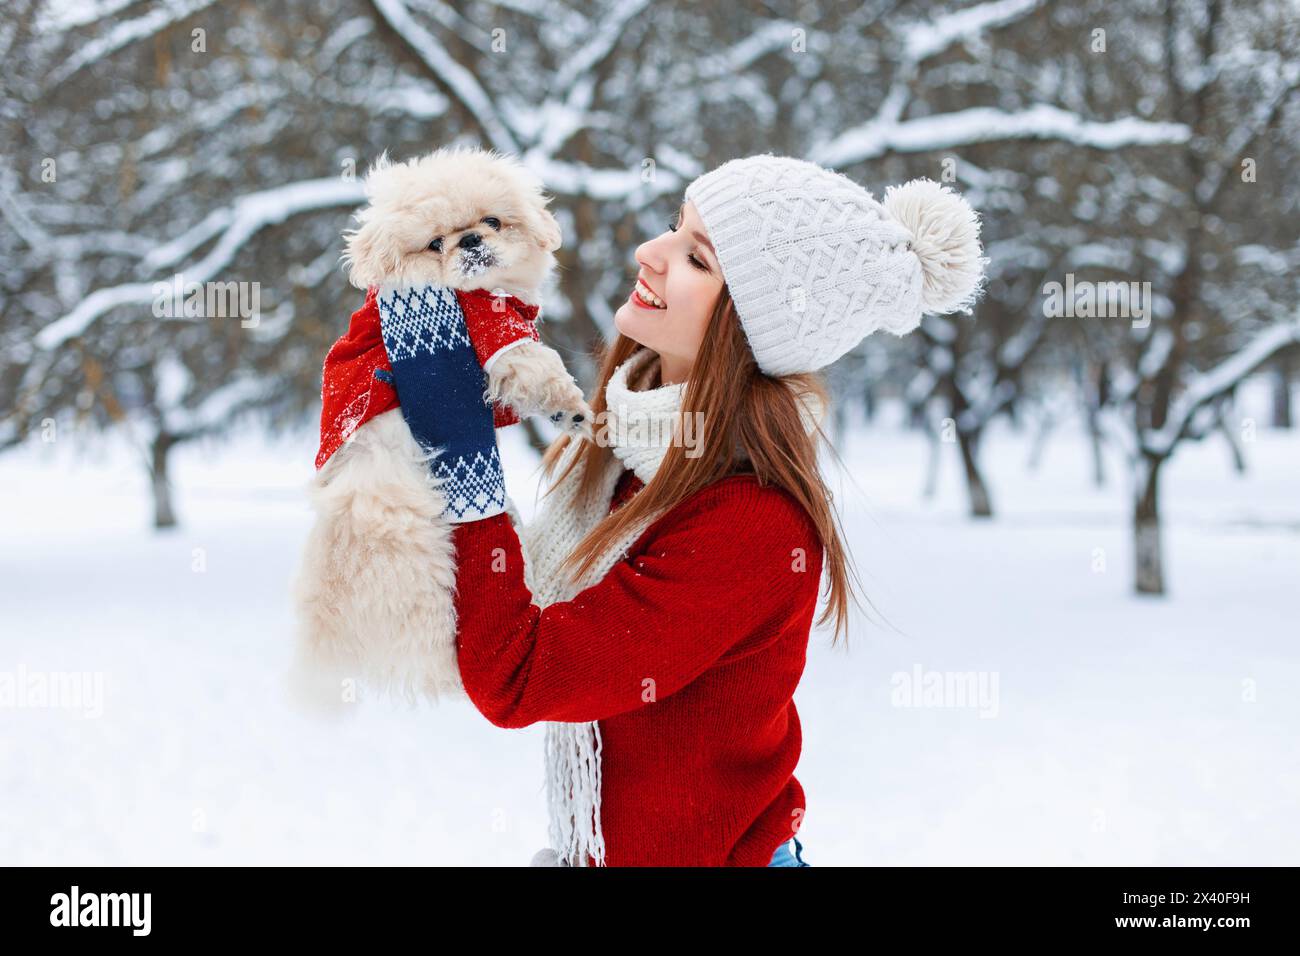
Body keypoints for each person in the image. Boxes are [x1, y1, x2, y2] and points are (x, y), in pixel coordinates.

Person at [390, 154, 986, 866]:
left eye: (697, 258)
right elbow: (505, 611)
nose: (651, 252)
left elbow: (519, 674)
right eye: (676, 226)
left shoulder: (752, 524)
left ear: (750, 325)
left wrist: (462, 454)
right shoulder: (630, 448)